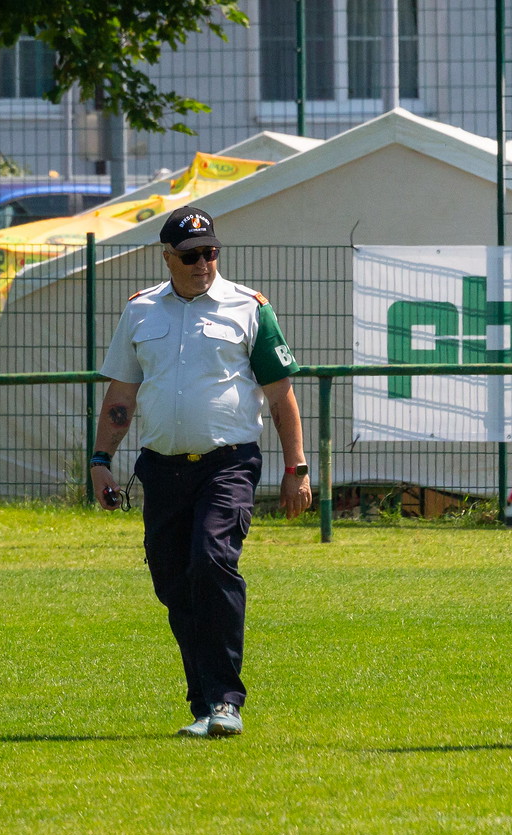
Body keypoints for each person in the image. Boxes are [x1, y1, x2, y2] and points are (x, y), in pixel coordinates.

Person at [90, 204, 310, 738]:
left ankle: (227, 702)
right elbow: (121, 396)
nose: (202, 263)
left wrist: (297, 467)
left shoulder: (250, 308)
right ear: (167, 257)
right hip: (161, 470)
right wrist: (100, 462)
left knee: (212, 562)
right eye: (190, 256)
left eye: (210, 252)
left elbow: (281, 396)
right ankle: (204, 705)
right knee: (174, 583)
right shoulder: (140, 311)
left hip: (227, 464)